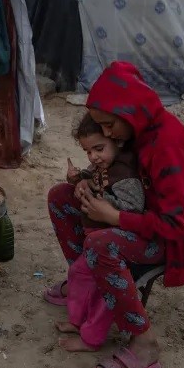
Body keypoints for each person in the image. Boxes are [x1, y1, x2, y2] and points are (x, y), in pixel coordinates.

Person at [44, 61, 184, 368]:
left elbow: (175, 227)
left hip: (178, 242)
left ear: (129, 112)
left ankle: (144, 344)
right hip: (140, 219)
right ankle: (86, 281)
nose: (107, 134)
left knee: (102, 245)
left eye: (109, 126)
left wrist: (114, 218)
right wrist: (87, 185)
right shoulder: (138, 132)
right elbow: (120, 180)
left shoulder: (166, 144)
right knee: (61, 197)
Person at [54, 114, 145, 352]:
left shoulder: (125, 174)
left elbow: (132, 208)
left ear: (118, 141)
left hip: (115, 245)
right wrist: (78, 179)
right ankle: (77, 320)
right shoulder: (102, 165)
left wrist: (103, 203)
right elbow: (93, 179)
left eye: (98, 149)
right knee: (79, 273)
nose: (93, 157)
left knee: (102, 290)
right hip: (95, 242)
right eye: (88, 152)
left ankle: (91, 339)